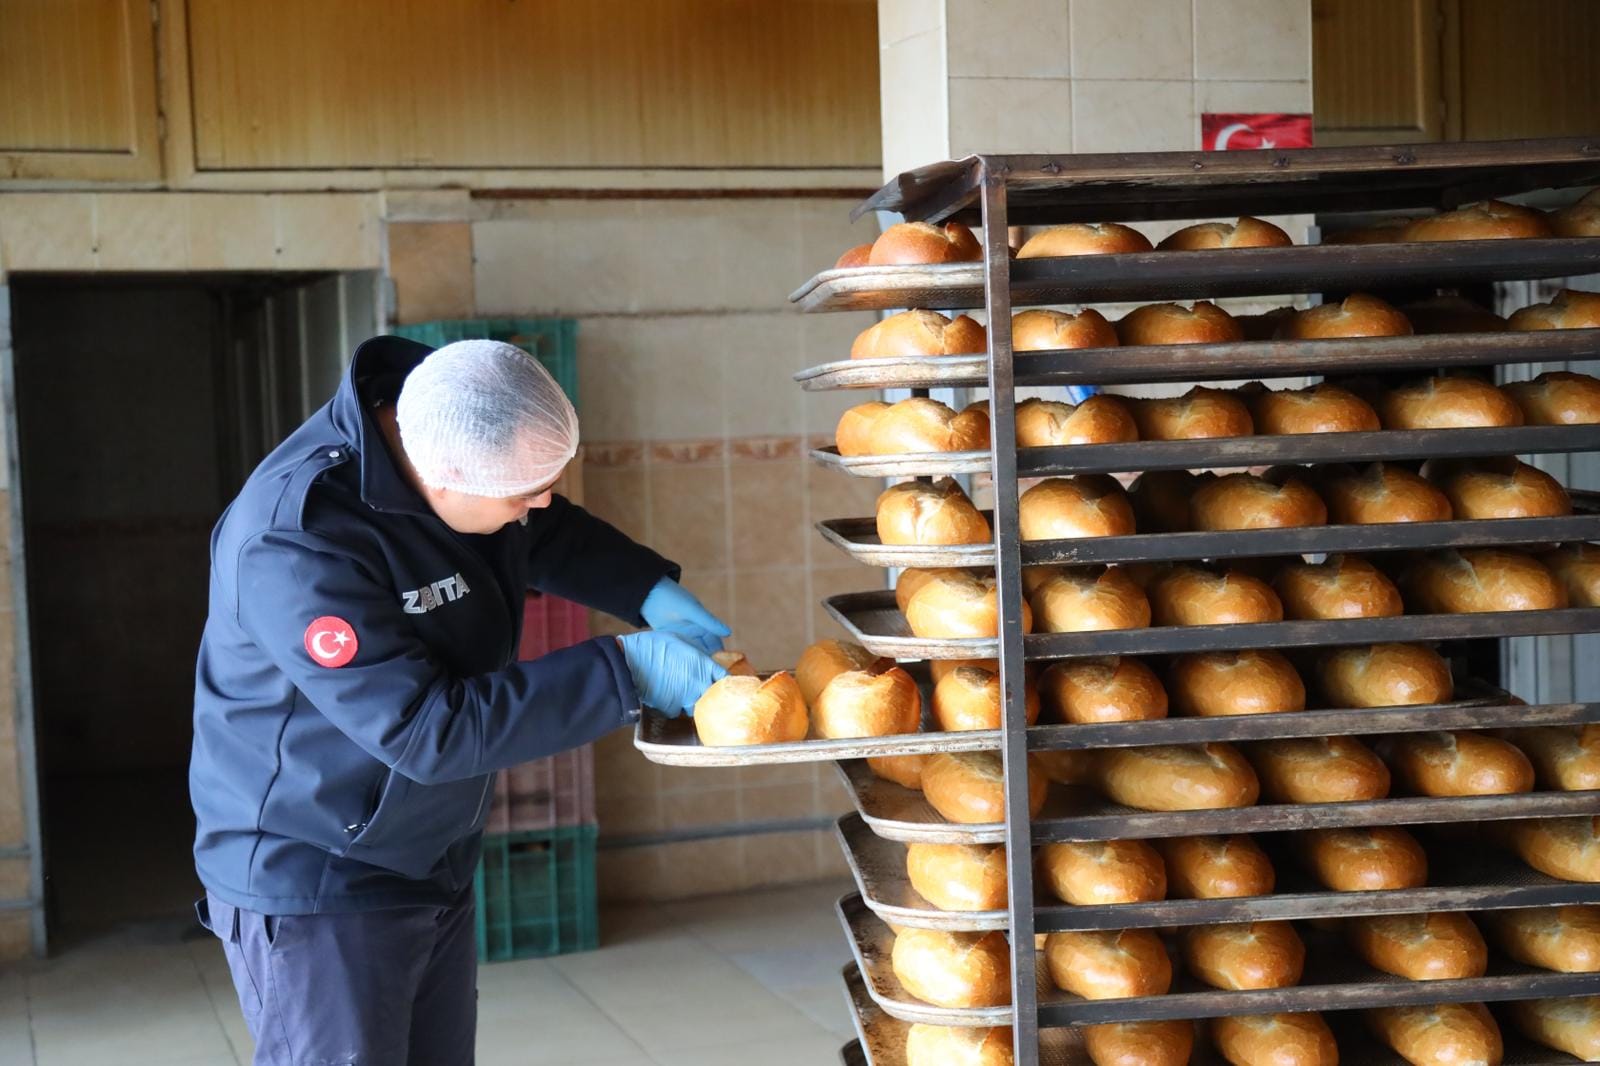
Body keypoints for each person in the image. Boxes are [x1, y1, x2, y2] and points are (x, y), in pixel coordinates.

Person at [190, 335, 729, 1065]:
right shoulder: (297, 543)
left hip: (427, 849)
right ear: (441, 478)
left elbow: (544, 529)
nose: (539, 504)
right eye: (522, 494)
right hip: (319, 871)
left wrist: (644, 590)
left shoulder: (455, 419)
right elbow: (425, 730)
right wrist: (623, 673)